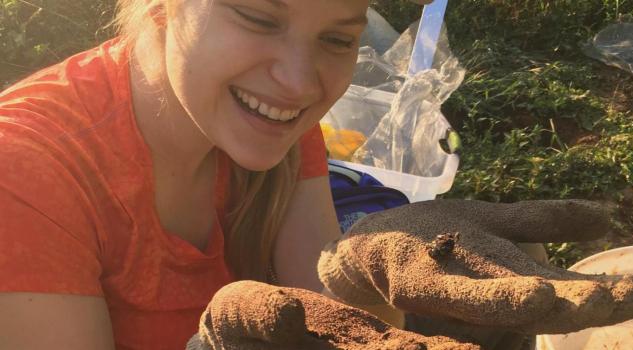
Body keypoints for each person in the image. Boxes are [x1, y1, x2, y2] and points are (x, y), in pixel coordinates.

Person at [0, 0, 435, 348]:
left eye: (337, 39)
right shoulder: (25, 174)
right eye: (258, 18)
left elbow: (339, 318)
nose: (300, 83)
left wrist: (376, 272)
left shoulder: (270, 117)